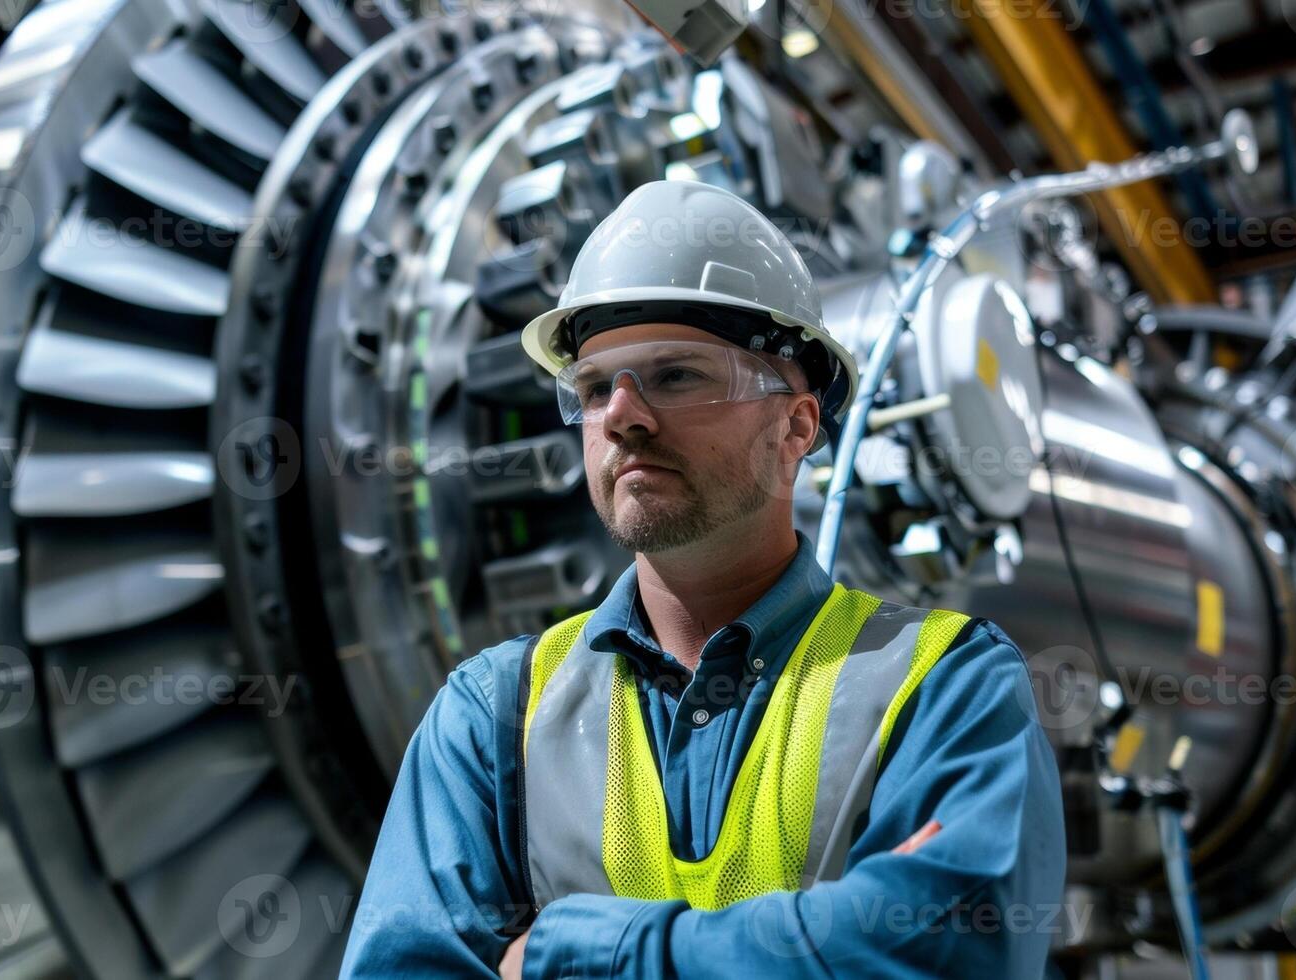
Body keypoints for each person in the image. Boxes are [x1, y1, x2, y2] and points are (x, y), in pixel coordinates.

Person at [339, 179, 1066, 978]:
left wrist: (567, 955)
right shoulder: (491, 719)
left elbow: (947, 958)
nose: (621, 416)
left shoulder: (943, 685)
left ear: (795, 425)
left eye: (676, 375)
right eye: (591, 388)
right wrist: (828, 937)